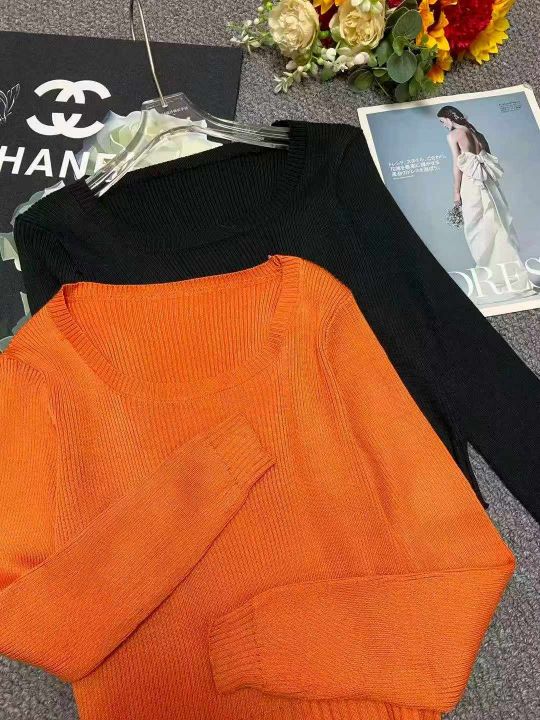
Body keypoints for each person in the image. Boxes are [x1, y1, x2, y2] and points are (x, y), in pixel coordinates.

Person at [437, 105, 532, 300]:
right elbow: (486, 158)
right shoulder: (477, 133)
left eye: (442, 121)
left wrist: (456, 192)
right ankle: (508, 276)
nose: (442, 125)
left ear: (448, 118)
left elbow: (457, 166)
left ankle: (496, 277)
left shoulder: (453, 135)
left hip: (471, 184)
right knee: (498, 225)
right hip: (488, 184)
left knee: (478, 229)